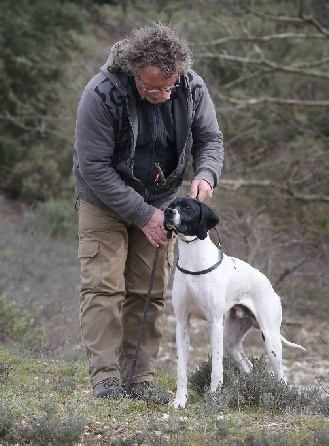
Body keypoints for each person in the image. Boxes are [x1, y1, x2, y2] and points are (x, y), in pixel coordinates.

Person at [72, 23, 224, 399]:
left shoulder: (191, 87)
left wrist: (206, 173)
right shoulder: (101, 94)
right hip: (103, 201)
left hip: (160, 201)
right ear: (133, 71)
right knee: (104, 289)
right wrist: (141, 214)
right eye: (152, 87)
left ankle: (139, 382)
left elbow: (210, 139)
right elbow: (94, 166)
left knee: (148, 293)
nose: (163, 93)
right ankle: (106, 381)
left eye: (168, 85)